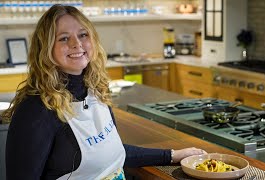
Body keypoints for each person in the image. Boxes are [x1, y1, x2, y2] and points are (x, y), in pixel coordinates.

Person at [2, 4, 206, 180]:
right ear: (46, 49)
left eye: (83, 35)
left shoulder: (95, 92)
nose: (77, 44)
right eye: (64, 38)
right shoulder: (36, 110)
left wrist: (172, 155)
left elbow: (112, 150)